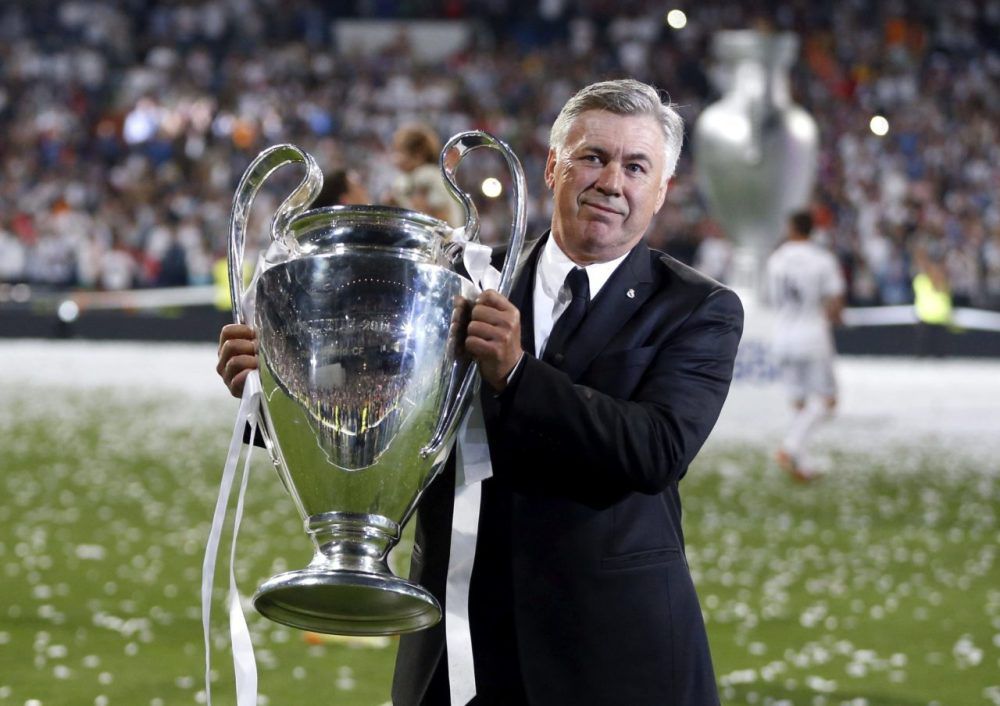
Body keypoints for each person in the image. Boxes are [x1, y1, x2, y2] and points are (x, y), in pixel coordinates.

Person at [217, 79, 743, 705]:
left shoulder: (697, 308)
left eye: (636, 167)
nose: (611, 182)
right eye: (593, 157)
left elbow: (654, 450)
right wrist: (275, 385)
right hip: (460, 647)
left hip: (615, 655)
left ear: (661, 191)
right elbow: (378, 413)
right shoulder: (460, 281)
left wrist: (519, 375)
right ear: (552, 165)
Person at [765, 210, 846, 482]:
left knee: (800, 405)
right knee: (827, 401)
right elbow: (834, 300)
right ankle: (790, 448)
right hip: (812, 336)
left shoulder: (776, 260)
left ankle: (803, 467)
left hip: (782, 336)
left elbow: (771, 298)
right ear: (813, 230)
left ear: (791, 228)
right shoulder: (822, 259)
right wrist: (838, 317)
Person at [387, 123, 465, 227]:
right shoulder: (408, 178)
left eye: (400, 151)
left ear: (419, 153)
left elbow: (440, 217)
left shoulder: (427, 175)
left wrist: (398, 203)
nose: (395, 157)